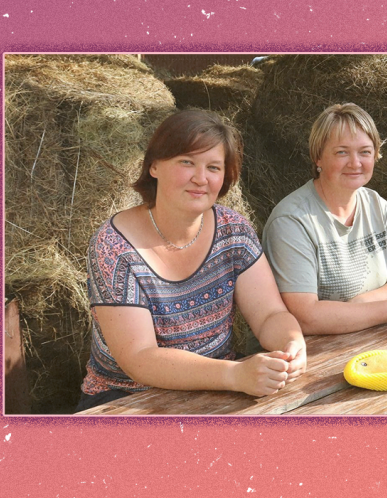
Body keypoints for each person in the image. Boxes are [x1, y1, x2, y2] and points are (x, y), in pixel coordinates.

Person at [77, 110, 306, 412]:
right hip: (128, 400)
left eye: (213, 167)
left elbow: (269, 314)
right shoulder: (113, 245)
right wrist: (235, 374)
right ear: (155, 165)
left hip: (219, 390)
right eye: (186, 162)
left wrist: (291, 344)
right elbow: (140, 358)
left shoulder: (232, 229)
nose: (201, 178)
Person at [262, 103, 387, 336]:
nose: (355, 163)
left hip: (368, 338)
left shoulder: (377, 205)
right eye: (342, 152)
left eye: (365, 152)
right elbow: (306, 317)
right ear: (317, 157)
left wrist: (362, 304)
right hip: (309, 354)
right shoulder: (291, 221)